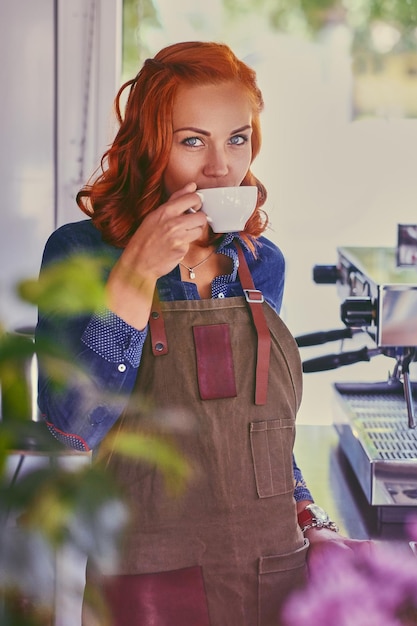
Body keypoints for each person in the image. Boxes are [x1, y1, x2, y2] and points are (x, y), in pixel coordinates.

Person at [36, 41, 370, 626]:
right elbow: (71, 429)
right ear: (149, 144)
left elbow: (260, 426)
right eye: (193, 140)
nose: (221, 167)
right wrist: (137, 272)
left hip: (273, 564)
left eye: (236, 138)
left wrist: (307, 512)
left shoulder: (262, 265)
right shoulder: (79, 252)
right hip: (144, 574)